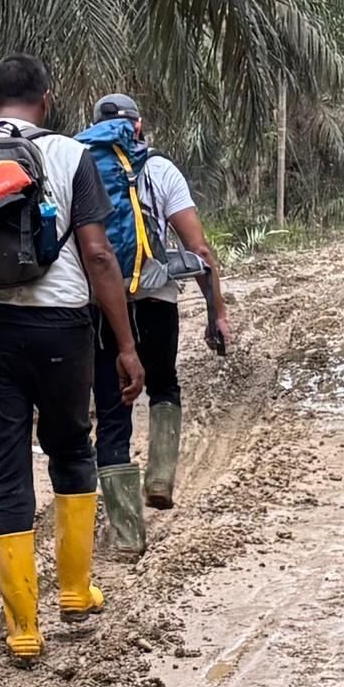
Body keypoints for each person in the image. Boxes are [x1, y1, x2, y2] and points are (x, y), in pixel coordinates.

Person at [0, 57, 142, 661]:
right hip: (61, 327)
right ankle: (75, 591)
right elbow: (98, 255)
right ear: (47, 99)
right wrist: (126, 345)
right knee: (70, 448)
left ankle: (22, 628)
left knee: (3, 470)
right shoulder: (69, 155)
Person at [86, 93, 229, 551]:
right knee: (163, 383)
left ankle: (127, 535)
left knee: (112, 408)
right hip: (156, 298)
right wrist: (217, 311)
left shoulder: (80, 168)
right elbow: (200, 251)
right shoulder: (161, 170)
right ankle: (161, 480)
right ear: (139, 126)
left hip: (101, 304)